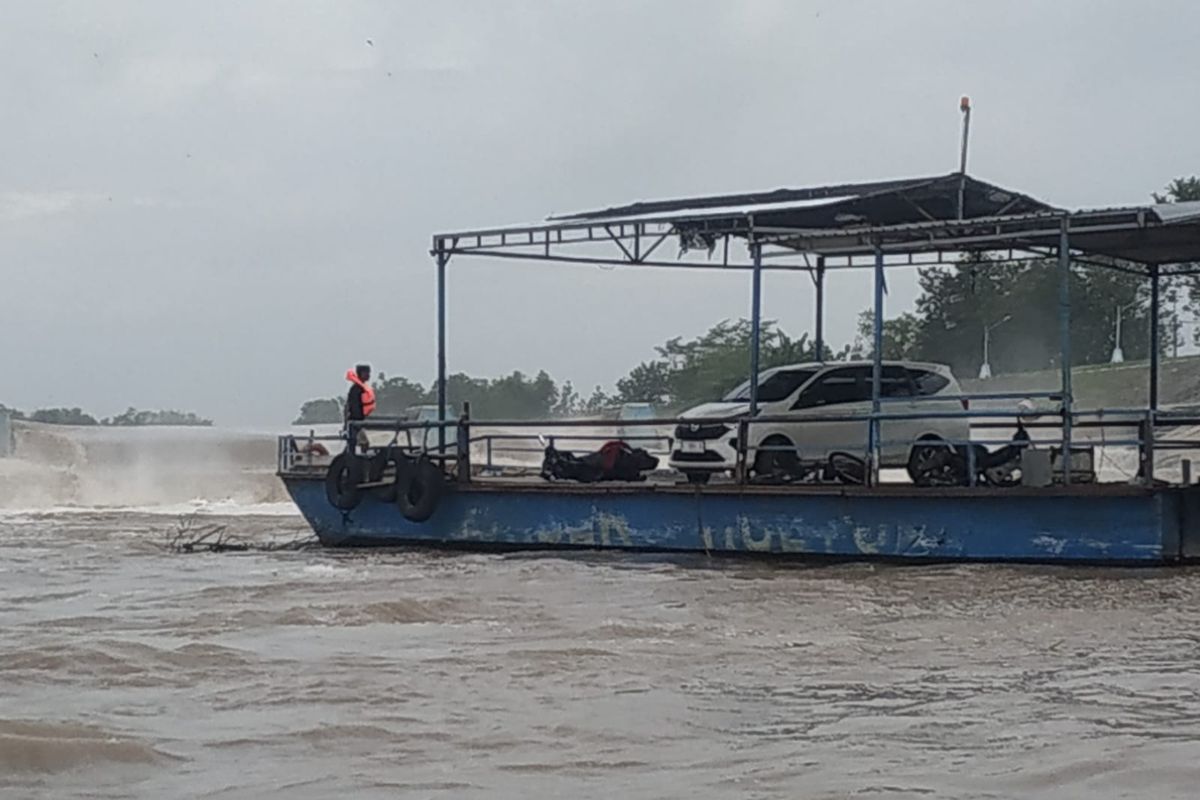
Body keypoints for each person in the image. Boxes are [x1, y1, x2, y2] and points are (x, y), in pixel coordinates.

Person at [345, 364, 376, 452]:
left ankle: (358, 456)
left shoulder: (361, 388)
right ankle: (356, 457)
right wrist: (358, 422)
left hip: (359, 421)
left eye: (369, 373)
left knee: (359, 442)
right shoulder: (356, 389)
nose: (368, 375)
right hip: (355, 422)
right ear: (360, 374)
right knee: (361, 442)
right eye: (366, 373)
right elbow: (354, 407)